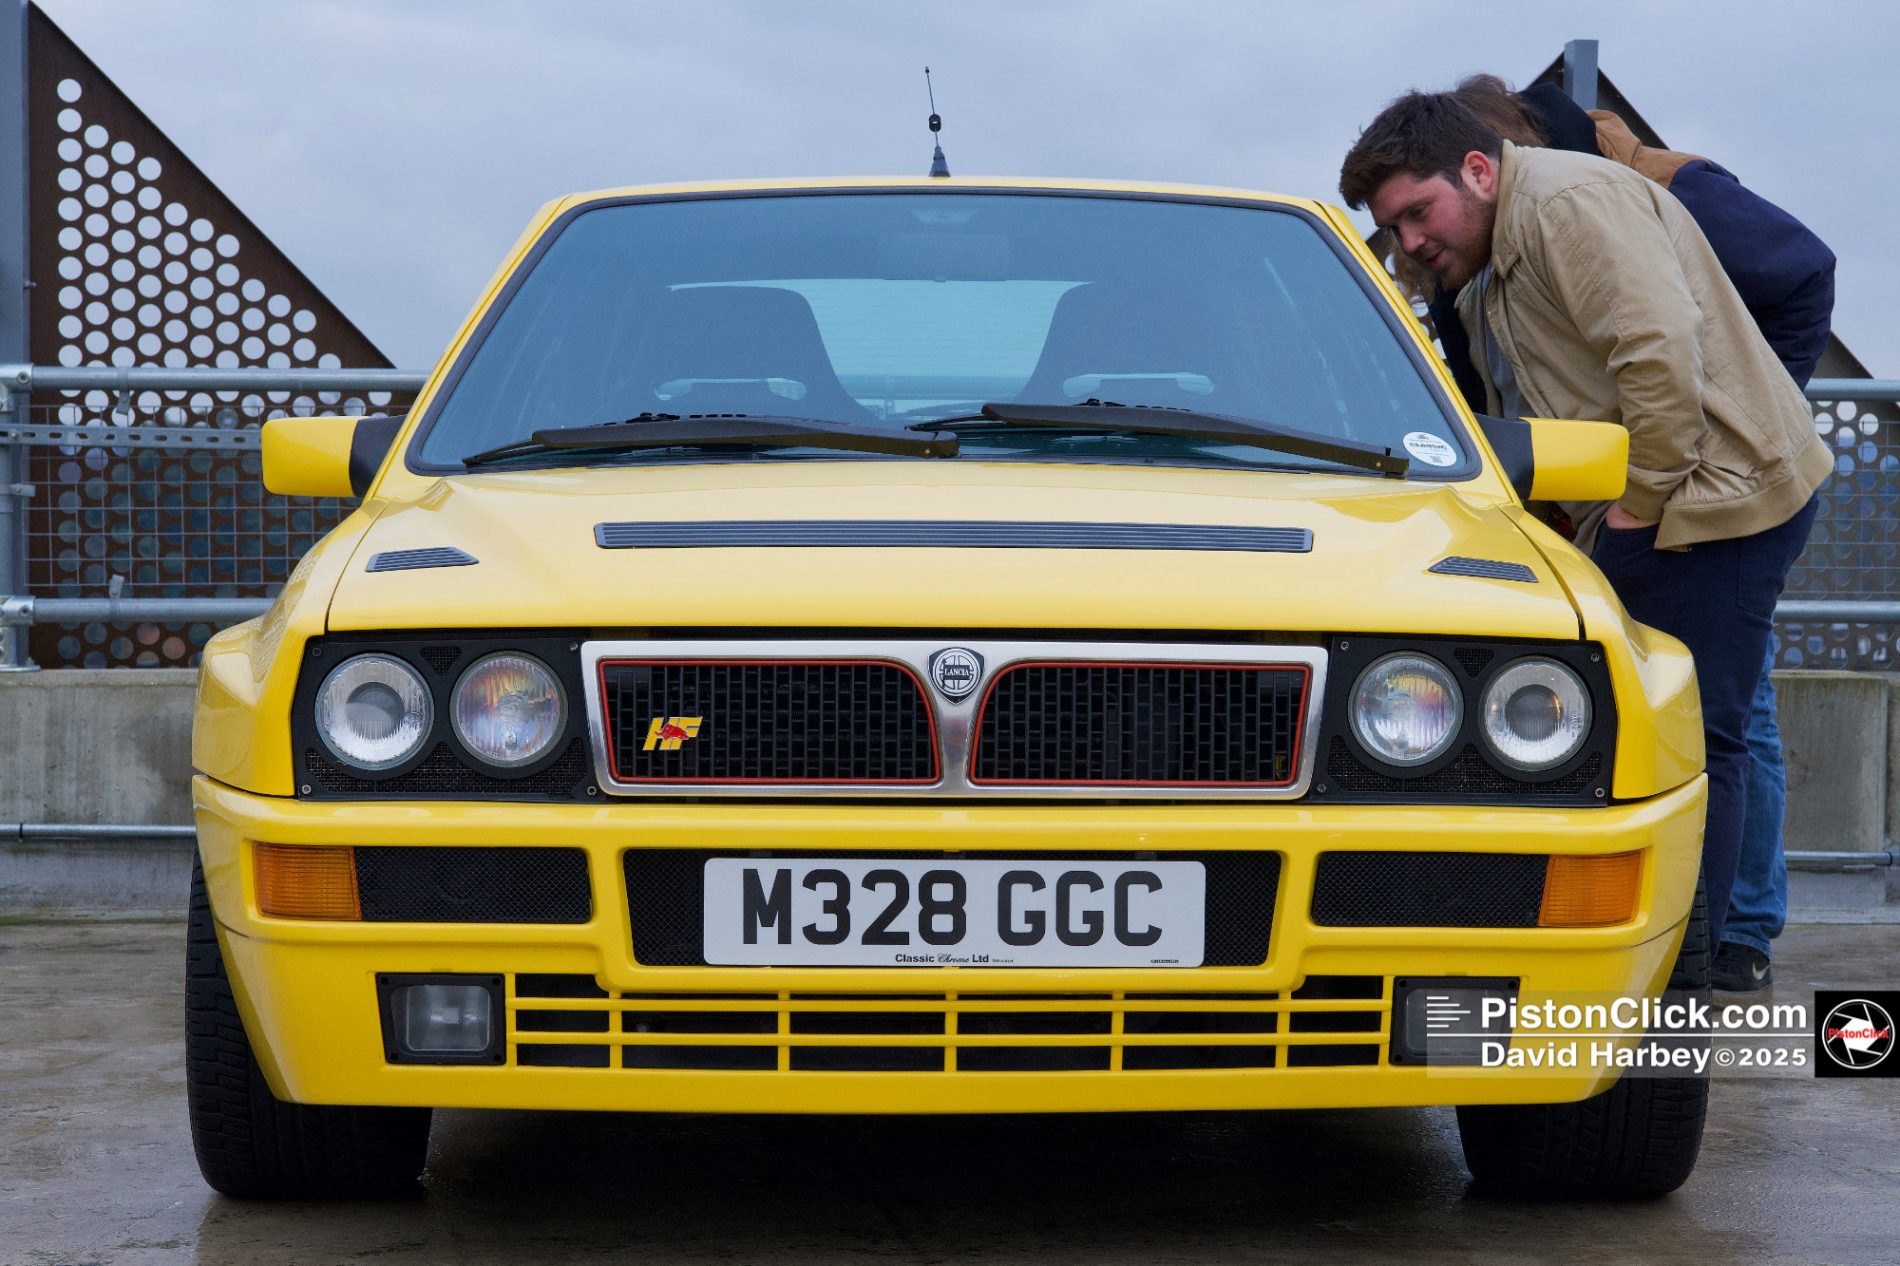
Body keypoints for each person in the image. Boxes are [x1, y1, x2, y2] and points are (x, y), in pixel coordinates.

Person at [1337, 92, 1832, 954]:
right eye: (1396, 224)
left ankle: (1686, 972)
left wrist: (1637, 503)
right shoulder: (1496, 254)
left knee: (1691, 740)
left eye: (1419, 211)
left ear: (1480, 170)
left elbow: (1656, 350)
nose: (1411, 241)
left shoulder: (1569, 203)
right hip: (1658, 503)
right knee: (1648, 733)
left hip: (1712, 502)